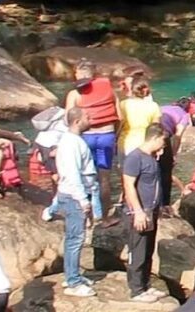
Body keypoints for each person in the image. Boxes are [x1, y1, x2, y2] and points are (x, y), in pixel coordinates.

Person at [65, 61, 120, 219]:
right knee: (104, 179)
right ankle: (104, 216)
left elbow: (67, 120)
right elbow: (119, 117)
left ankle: (87, 216)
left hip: (85, 137)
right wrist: (115, 136)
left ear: (78, 75)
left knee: (86, 177)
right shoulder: (109, 90)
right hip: (107, 135)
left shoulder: (75, 94)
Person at [122, 125, 168, 303]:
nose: (164, 144)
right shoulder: (134, 157)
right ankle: (136, 290)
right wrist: (137, 211)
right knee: (138, 251)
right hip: (139, 212)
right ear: (155, 137)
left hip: (152, 211)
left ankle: (146, 285)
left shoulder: (151, 158)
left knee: (148, 250)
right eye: (163, 140)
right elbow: (128, 186)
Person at [55, 107, 98, 297]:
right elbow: (73, 173)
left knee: (74, 238)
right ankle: (72, 282)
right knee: (75, 239)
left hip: (72, 194)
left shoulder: (71, 141)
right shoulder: (72, 143)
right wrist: (83, 200)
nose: (91, 119)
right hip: (74, 197)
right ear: (77, 121)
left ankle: (73, 275)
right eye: (87, 117)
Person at [159, 98, 191, 206]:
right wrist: (173, 154)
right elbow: (178, 135)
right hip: (164, 133)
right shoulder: (184, 115)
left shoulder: (164, 107)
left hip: (150, 131)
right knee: (166, 171)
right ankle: (165, 205)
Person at [118, 81, 161, 157]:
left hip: (125, 142)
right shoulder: (153, 106)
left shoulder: (123, 104)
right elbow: (155, 128)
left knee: (126, 167)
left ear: (132, 91)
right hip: (145, 143)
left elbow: (120, 123)